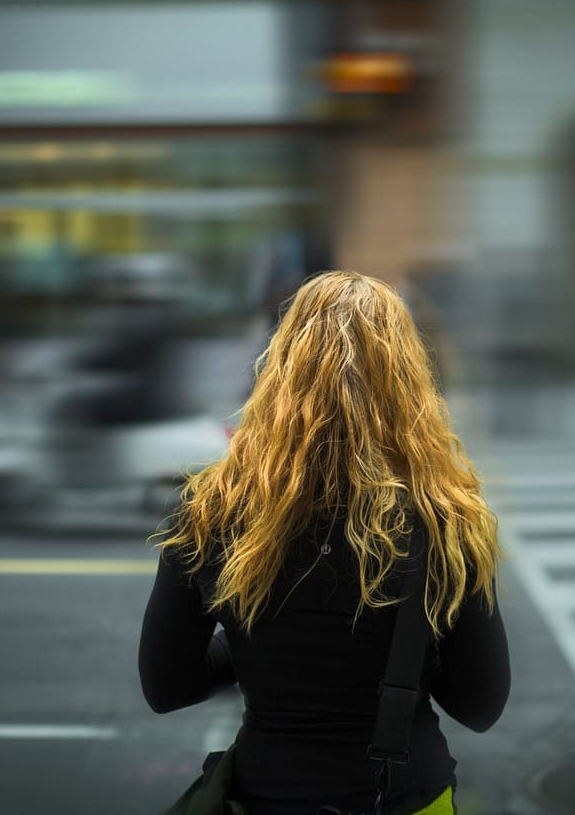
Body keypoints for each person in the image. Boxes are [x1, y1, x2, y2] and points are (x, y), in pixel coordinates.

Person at [139, 271, 510, 814]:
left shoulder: (212, 509)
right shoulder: (445, 519)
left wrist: (255, 646)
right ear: (410, 379)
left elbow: (167, 685)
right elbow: (480, 705)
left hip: (265, 797)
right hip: (407, 799)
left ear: (278, 368)